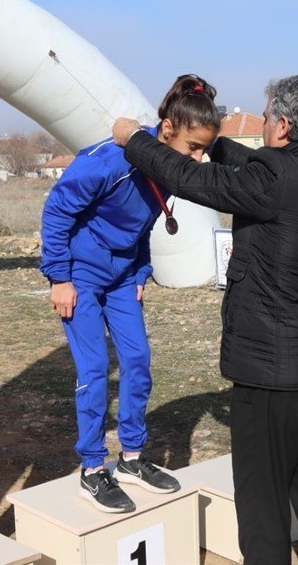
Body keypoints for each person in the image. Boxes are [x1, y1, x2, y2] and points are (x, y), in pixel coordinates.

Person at [112, 75, 298, 565]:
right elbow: (255, 167)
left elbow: (192, 180)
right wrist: (212, 142)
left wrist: (135, 140)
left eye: (267, 117)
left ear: (283, 126)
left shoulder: (275, 178)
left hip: (274, 372)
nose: (263, 125)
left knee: (263, 503)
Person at [40, 75, 220, 513]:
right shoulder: (107, 161)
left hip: (123, 278)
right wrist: (59, 278)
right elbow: (57, 211)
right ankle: (91, 468)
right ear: (167, 129)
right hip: (80, 276)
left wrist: (141, 270)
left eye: (204, 149)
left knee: (138, 360)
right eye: (194, 147)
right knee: (95, 369)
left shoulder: (165, 169)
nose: (198, 158)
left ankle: (132, 459)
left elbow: (144, 224)